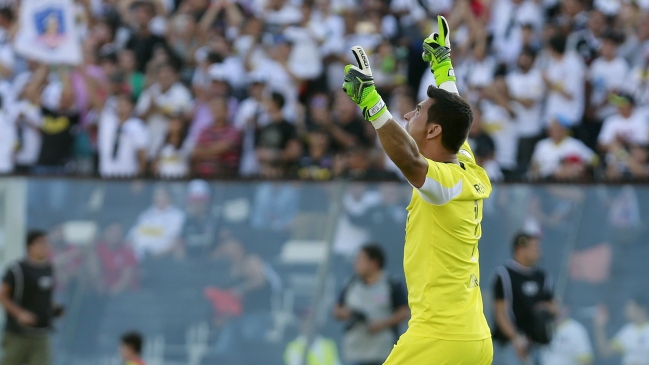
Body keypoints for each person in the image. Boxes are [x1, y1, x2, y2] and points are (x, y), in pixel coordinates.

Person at [341, 16, 492, 364]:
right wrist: (443, 66)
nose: (409, 114)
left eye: (418, 112)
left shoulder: (443, 182)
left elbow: (410, 161)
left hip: (438, 337)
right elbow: (457, 120)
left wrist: (371, 104)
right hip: (474, 339)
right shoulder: (464, 163)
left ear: (434, 131)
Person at [334, 244, 409, 365]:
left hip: (382, 351)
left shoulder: (390, 284)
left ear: (374, 263)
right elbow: (337, 310)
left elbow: (404, 312)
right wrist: (349, 313)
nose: (356, 263)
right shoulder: (351, 284)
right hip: (355, 351)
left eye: (360, 259)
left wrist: (383, 323)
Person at [0, 230, 64, 365]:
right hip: (18, 334)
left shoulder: (49, 269)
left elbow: (45, 296)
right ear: (30, 246)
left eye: (47, 243)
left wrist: (55, 308)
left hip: (41, 333)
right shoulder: (17, 269)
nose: (46, 246)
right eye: (41, 243)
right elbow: (3, 295)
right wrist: (20, 314)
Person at [492, 232, 556, 365]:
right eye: (534, 248)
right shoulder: (505, 275)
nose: (538, 251)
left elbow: (554, 308)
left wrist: (544, 308)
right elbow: (500, 312)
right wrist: (516, 338)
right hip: (511, 345)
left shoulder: (542, 277)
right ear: (520, 249)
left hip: (537, 345)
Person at [593, 296, 649, 365]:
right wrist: (599, 327)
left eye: (630, 307)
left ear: (641, 309)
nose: (626, 310)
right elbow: (605, 352)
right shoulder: (628, 331)